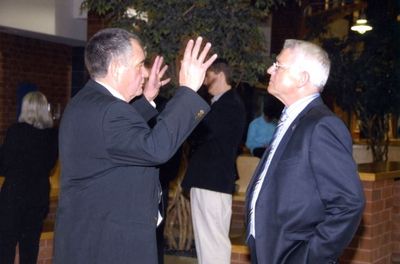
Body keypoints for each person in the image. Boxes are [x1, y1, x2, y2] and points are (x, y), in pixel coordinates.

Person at [53, 28, 217, 264]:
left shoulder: (85, 102)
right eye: (140, 65)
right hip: (110, 244)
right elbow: (155, 148)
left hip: (88, 238)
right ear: (118, 67)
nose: (145, 72)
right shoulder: (111, 111)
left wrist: (147, 98)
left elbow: (116, 140)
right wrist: (188, 91)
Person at [245, 39, 365, 264]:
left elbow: (348, 203)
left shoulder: (322, 125)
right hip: (268, 251)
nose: (270, 70)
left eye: (278, 66)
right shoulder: (292, 120)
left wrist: (310, 257)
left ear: (302, 78)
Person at [182, 58, 246, 264]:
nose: (204, 79)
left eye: (207, 74)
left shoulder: (229, 104)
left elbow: (198, 134)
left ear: (218, 75)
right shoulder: (222, 103)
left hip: (213, 181)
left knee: (213, 244)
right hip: (209, 180)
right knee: (207, 243)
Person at [0, 91, 58, 264]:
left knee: (6, 245)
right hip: (38, 197)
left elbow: (3, 166)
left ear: (25, 109)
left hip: (14, 197)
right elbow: (49, 166)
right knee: (30, 246)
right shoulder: (52, 135)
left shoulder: (16, 131)